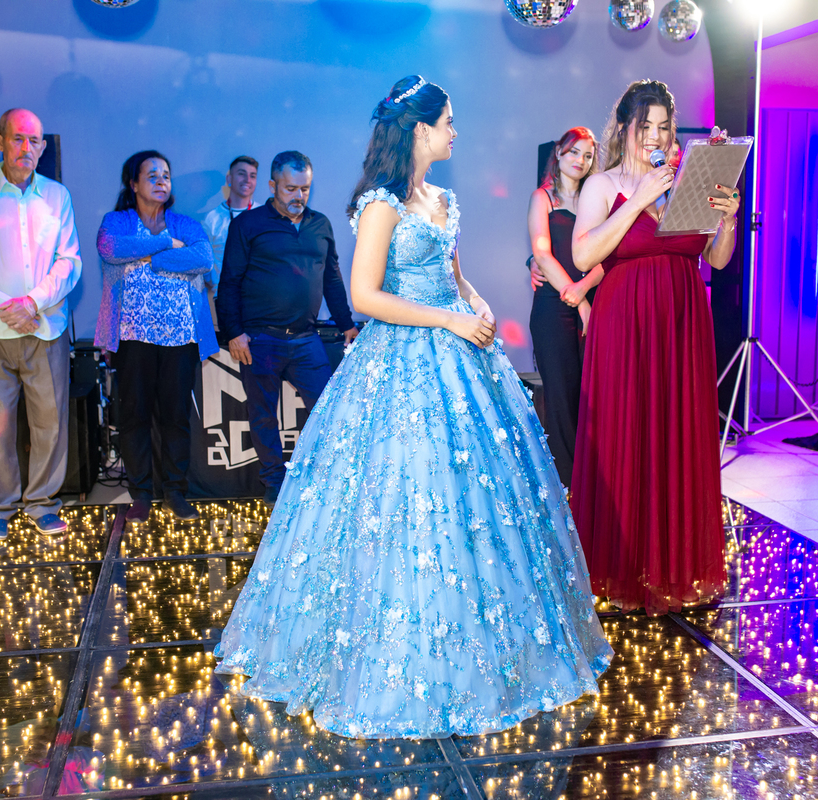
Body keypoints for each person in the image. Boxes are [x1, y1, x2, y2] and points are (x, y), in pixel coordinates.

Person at [213, 75, 612, 739]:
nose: (455, 131)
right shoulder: (381, 203)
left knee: (475, 497)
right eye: (448, 121)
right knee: (398, 491)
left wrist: (476, 302)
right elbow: (365, 296)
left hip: (458, 352)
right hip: (401, 356)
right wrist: (449, 320)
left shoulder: (444, 199)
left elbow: (453, 275)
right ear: (420, 129)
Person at [569, 79, 740, 615]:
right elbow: (583, 256)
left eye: (665, 127)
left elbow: (716, 260)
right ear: (624, 129)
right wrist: (639, 198)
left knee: (676, 437)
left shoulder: (685, 183)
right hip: (625, 326)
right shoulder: (602, 185)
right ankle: (620, 569)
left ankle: (673, 566)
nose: (656, 136)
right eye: (646, 126)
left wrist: (728, 218)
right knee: (626, 435)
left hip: (683, 325)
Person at [0, 108, 82, 542]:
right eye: (19, 138)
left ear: (42, 147)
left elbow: (69, 261)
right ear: (0, 141)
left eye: (35, 140)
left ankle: (43, 503)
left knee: (50, 422)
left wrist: (32, 302)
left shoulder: (57, 196)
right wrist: (5, 305)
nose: (27, 147)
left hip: (46, 326)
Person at [215, 151, 359, 504]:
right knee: (263, 415)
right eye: (290, 188)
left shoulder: (320, 225)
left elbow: (332, 279)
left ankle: (323, 476)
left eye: (304, 189)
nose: (298, 195)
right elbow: (229, 282)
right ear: (272, 185)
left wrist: (346, 324)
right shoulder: (247, 225)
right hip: (260, 339)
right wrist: (233, 332)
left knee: (327, 408)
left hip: (306, 338)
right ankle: (274, 484)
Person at [95, 150, 217, 523]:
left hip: (180, 338)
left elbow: (204, 258)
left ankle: (175, 492)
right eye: (152, 175)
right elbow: (111, 250)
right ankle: (142, 494)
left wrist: (153, 258)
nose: (162, 180)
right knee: (135, 416)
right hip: (132, 337)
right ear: (133, 184)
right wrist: (165, 244)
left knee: (175, 417)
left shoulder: (185, 224)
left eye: (165, 174)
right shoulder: (117, 222)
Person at [526, 127, 601, 489]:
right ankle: (566, 487)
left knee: (591, 397)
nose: (580, 161)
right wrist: (579, 299)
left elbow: (609, 254)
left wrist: (584, 291)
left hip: (593, 304)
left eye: (587, 155)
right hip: (551, 309)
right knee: (560, 397)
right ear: (558, 153)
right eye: (574, 152)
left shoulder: (596, 200)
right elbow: (541, 253)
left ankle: (591, 482)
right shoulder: (542, 198)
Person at [201, 155, 258, 297]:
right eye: (241, 174)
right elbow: (205, 263)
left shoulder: (265, 215)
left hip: (258, 298)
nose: (247, 180)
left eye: (252, 176)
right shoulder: (212, 219)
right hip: (225, 297)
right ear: (229, 179)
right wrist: (216, 283)